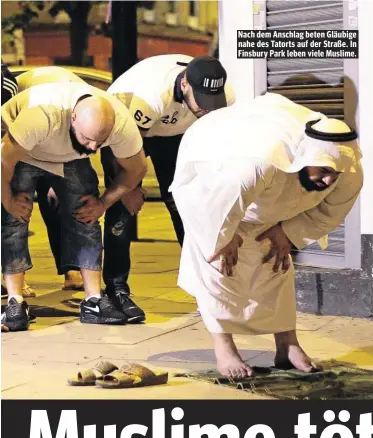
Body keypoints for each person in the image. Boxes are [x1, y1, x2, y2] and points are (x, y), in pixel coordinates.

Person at [20, 57, 235, 322]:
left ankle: (207, 288)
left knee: (186, 208)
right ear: (185, 84)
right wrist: (128, 188)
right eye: (200, 100)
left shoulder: (224, 93)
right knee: (122, 210)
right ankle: (117, 289)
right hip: (128, 134)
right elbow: (120, 151)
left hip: (176, 135)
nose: (205, 108)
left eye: (211, 102)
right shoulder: (149, 95)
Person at [169, 93, 363, 378]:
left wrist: (288, 232)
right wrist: (225, 235)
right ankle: (224, 349)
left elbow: (331, 212)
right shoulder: (257, 161)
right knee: (219, 264)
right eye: (323, 171)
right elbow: (214, 202)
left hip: (261, 201)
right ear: (306, 158)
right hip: (209, 182)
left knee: (276, 263)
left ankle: (287, 346)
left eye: (335, 174)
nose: (328, 181)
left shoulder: (350, 172)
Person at [1, 80, 147, 331]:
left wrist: (103, 203)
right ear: (73, 118)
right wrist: (9, 201)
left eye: (99, 143)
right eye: (89, 139)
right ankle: (15, 302)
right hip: (24, 150)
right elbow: (3, 163)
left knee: (86, 214)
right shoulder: (40, 115)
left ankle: (93, 300)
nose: (93, 147)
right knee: (15, 218)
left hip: (70, 156)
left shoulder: (119, 123)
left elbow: (137, 169)